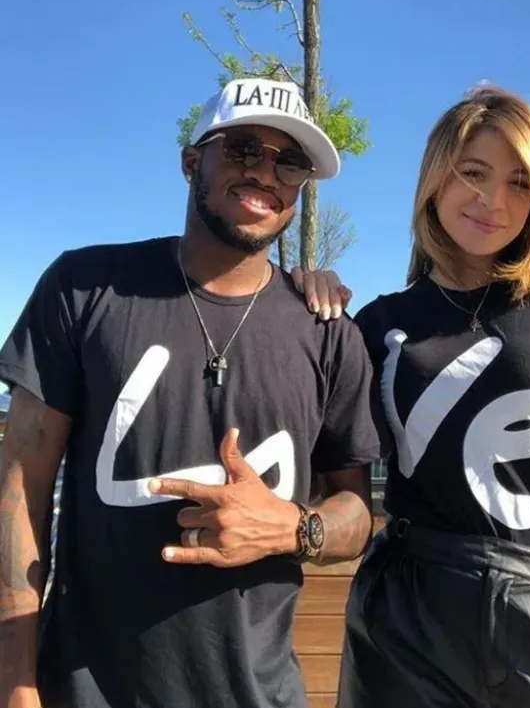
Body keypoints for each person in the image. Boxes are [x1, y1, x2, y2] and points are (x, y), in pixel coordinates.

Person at [0, 76, 384, 708]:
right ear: (190, 162)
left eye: (289, 162)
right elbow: (21, 485)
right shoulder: (83, 289)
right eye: (241, 150)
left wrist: (294, 529)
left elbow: (355, 512)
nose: (265, 172)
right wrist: (16, 681)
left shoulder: (329, 337)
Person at [292, 83, 530, 708]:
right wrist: (294, 293)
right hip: (409, 609)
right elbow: (323, 456)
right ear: (435, 179)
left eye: (519, 182)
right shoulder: (377, 324)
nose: (493, 201)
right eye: (473, 173)